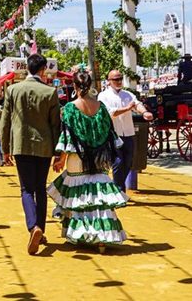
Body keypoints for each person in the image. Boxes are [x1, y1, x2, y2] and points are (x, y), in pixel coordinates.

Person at [47, 69, 128, 251]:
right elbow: (110, 134)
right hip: (99, 156)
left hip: (78, 158)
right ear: (90, 85)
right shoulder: (101, 107)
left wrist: (60, 159)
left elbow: (67, 137)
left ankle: (81, 234)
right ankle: (102, 237)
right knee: (98, 196)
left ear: (74, 86)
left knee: (79, 196)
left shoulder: (70, 108)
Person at [1, 53, 61, 255]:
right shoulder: (50, 92)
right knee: (40, 189)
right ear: (43, 70)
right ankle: (40, 229)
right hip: (43, 146)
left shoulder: (13, 90)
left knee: (26, 189)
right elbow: (55, 125)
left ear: (27, 68)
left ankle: (32, 227)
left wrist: (5, 148)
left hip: (21, 145)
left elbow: (5, 121)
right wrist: (58, 151)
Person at [98, 70, 153, 193]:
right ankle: (119, 191)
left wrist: (144, 112)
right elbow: (110, 112)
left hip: (128, 133)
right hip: (113, 135)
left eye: (120, 79)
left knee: (129, 162)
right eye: (115, 79)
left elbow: (137, 104)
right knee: (118, 162)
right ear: (109, 81)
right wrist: (127, 108)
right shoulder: (103, 96)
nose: (118, 81)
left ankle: (117, 187)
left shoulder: (127, 94)